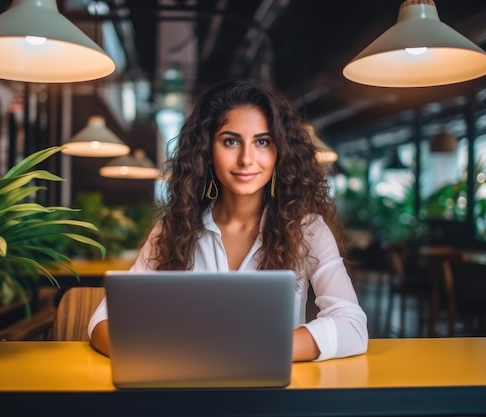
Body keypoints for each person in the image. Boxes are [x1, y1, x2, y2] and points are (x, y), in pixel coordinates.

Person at [88, 79, 368, 362]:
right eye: (231, 141)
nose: (246, 159)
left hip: (272, 395)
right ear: (207, 151)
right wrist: (167, 353)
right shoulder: (174, 228)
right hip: (186, 389)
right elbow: (104, 319)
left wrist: (249, 350)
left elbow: (352, 325)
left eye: (262, 141)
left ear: (280, 151)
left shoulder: (307, 230)